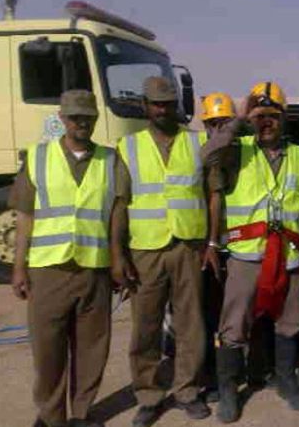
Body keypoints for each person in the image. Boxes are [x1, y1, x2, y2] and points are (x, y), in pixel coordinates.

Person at [206, 81, 299, 423]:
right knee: (234, 327)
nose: (266, 122)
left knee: (289, 323)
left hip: (289, 255)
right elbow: (206, 155)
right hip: (247, 257)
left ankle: (286, 381)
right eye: (259, 116)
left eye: (272, 115)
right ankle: (228, 392)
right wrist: (238, 119)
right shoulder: (237, 150)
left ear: (284, 118)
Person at [110, 76, 212, 427]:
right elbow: (120, 204)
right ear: (145, 106)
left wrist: (211, 243)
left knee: (191, 324)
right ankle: (149, 396)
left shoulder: (197, 143)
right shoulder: (129, 147)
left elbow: (213, 196)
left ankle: (187, 391)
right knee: (146, 327)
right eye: (157, 103)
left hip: (188, 246)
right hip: (146, 249)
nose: (163, 109)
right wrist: (118, 255)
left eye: (169, 104)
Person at [10, 89, 114, 427]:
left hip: (94, 269)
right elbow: (24, 217)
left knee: (91, 349)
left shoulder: (111, 161)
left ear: (96, 119)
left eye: (88, 117)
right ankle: (51, 415)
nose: (82, 122)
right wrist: (18, 267)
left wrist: (118, 261)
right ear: (62, 119)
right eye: (74, 117)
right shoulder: (38, 158)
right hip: (48, 270)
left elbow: (117, 215)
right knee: (48, 350)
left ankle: (82, 413)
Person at [199, 92, 237, 403]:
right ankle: (212, 377)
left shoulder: (242, 152)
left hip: (239, 248)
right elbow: (213, 152)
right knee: (210, 316)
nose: (218, 129)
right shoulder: (204, 153)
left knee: (240, 316)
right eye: (213, 123)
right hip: (211, 249)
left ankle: (246, 370)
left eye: (224, 122)